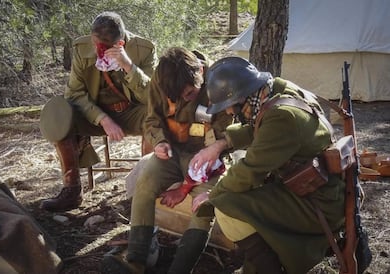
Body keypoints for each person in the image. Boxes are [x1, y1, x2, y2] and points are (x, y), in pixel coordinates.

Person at [192, 56, 347, 274]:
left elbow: (250, 170)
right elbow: (261, 128)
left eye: (230, 107)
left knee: (226, 207)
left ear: (244, 97)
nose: (228, 112)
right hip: (322, 190)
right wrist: (221, 143)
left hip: (317, 204)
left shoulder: (282, 117)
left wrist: (213, 194)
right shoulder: (279, 90)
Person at [101, 47, 232, 274]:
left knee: (203, 207)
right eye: (176, 97)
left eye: (190, 94)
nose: (184, 100)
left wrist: (187, 185)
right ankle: (136, 259)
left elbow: (230, 134)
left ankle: (180, 269)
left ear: (201, 71)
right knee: (145, 181)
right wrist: (160, 142)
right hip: (172, 152)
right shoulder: (161, 81)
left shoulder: (219, 84)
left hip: (208, 158)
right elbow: (152, 120)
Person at [39, 11, 157, 212]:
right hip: (94, 114)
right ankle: (72, 190)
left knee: (157, 114)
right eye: (95, 43)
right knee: (58, 113)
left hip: (132, 112)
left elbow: (153, 97)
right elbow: (74, 93)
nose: (97, 49)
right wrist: (102, 118)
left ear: (119, 44)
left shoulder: (143, 49)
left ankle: (147, 188)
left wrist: (129, 67)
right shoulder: (82, 48)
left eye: (102, 47)